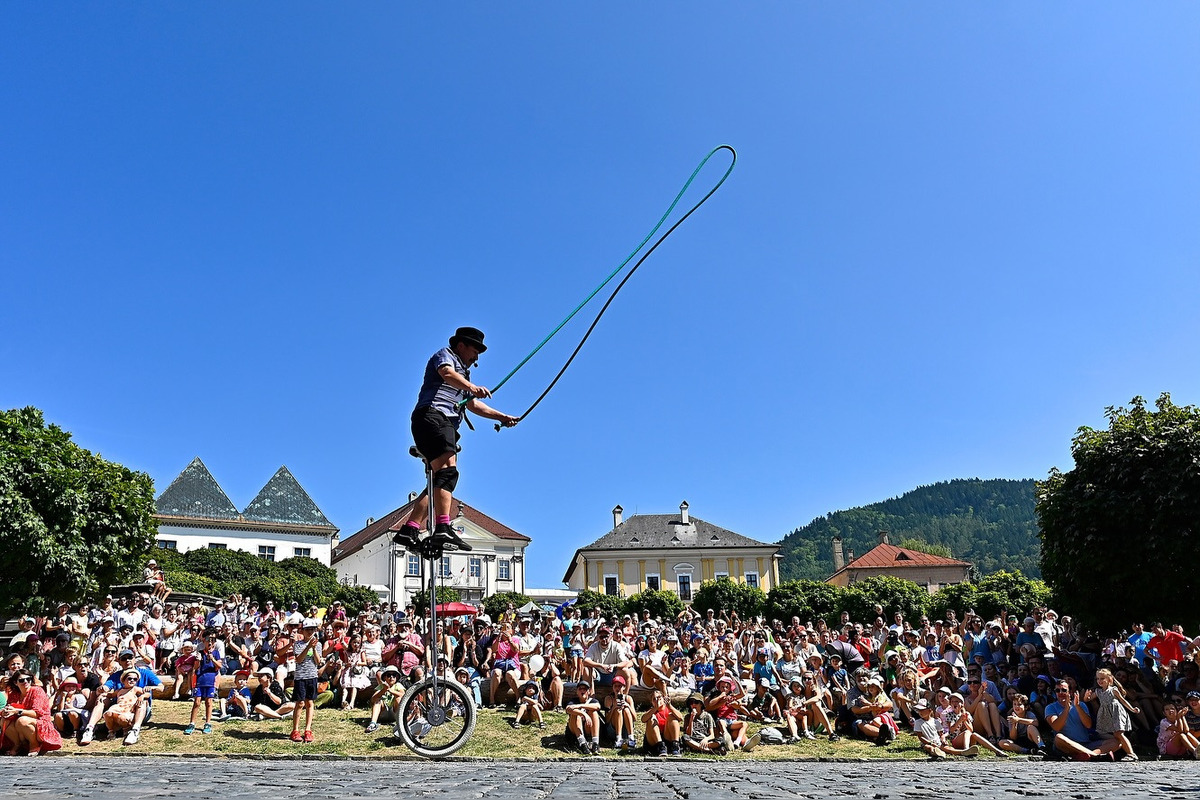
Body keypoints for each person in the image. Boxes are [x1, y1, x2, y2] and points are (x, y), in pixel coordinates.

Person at [390, 327, 519, 551]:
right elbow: (446, 374)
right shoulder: (445, 356)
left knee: (438, 481)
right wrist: (471, 386)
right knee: (448, 472)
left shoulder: (464, 375)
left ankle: (409, 529)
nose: (477, 356)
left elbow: (472, 404)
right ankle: (442, 527)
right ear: (461, 345)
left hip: (437, 422)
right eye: (475, 349)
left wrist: (502, 417)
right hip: (434, 417)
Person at [0, 670, 62, 755]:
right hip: (21, 726)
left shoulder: (37, 691)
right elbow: (10, 708)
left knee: (22, 721)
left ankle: (34, 745)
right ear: (15, 683)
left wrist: (17, 711)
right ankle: (17, 745)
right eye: (22, 680)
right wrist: (5, 712)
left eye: (28, 679)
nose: (25, 682)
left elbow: (37, 713)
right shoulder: (14, 694)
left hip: (40, 723)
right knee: (4, 721)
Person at [1090, 667, 1140, 760]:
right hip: (1107, 716)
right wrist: (1085, 696)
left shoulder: (1113, 690)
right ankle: (1124, 749)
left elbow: (1123, 701)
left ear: (1109, 679)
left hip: (1116, 713)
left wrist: (1132, 709)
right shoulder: (1098, 692)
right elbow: (1088, 699)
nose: (1099, 681)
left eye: (1102, 678)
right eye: (1098, 679)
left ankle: (1131, 753)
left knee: (1118, 734)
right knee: (1111, 735)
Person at [290, 618, 322, 743]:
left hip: (312, 676)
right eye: (307, 629)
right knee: (300, 703)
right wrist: (308, 646)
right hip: (300, 677)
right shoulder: (298, 644)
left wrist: (313, 648)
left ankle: (308, 729)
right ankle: (295, 729)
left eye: (312, 629)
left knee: (310, 703)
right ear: (302, 631)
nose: (310, 632)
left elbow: (318, 661)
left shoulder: (318, 645)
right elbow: (298, 659)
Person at [641, 688, 683, 756]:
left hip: (667, 737)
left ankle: (675, 746)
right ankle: (661, 746)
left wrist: (670, 706)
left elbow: (680, 718)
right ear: (652, 702)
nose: (657, 700)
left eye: (659, 697)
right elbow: (643, 719)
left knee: (672, 717)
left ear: (664, 699)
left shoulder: (669, 709)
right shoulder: (652, 711)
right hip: (654, 741)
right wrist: (655, 708)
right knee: (651, 718)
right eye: (654, 699)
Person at [564, 680, 602, 755]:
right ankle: (582, 744)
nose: (582, 691)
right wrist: (583, 714)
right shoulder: (573, 701)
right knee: (576, 714)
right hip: (574, 729)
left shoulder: (593, 701)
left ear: (588, 691)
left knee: (593, 712)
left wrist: (580, 706)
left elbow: (598, 707)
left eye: (585, 689)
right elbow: (568, 709)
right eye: (580, 689)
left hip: (588, 727)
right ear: (577, 691)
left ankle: (595, 743)